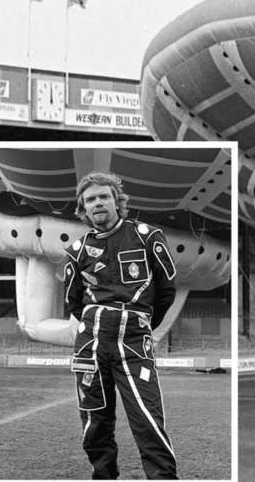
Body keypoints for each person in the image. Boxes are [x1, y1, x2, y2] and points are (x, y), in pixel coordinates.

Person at [64, 172, 178, 479]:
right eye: (90, 200)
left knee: (147, 420)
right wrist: (97, 320)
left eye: (104, 196)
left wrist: (138, 323)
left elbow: (167, 289)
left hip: (133, 341)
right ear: (83, 209)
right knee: (94, 423)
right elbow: (72, 301)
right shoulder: (76, 252)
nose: (98, 203)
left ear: (118, 201)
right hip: (91, 345)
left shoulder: (146, 236)